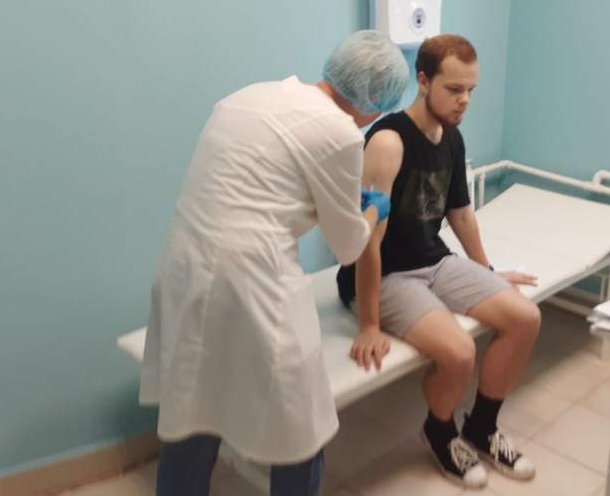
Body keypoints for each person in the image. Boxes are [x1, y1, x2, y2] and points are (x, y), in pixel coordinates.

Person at [139, 30, 409, 496]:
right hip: (253, 278)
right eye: (383, 108)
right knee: (303, 423)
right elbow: (349, 247)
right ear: (373, 99)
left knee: (193, 406)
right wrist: (374, 209)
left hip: (186, 264)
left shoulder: (248, 97)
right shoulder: (341, 133)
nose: (380, 117)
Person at [336, 34, 541, 489]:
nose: (464, 100)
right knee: (459, 353)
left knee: (524, 318)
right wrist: (369, 325)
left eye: (471, 90)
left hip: (434, 261)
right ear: (423, 81)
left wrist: (486, 273)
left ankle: (482, 428)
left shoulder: (452, 136)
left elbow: (460, 214)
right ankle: (440, 431)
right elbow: (367, 242)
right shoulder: (388, 142)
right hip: (388, 273)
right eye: (454, 89)